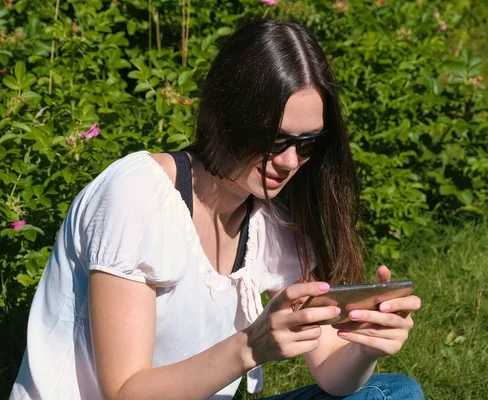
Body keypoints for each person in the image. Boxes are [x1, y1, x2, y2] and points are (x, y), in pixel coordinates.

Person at [10, 19, 423, 400]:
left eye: (307, 143)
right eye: (275, 140)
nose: (291, 162)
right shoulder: (138, 194)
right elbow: (126, 391)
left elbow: (332, 373)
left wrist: (366, 345)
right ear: (228, 116)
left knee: (393, 393)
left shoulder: (268, 214)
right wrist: (250, 345)